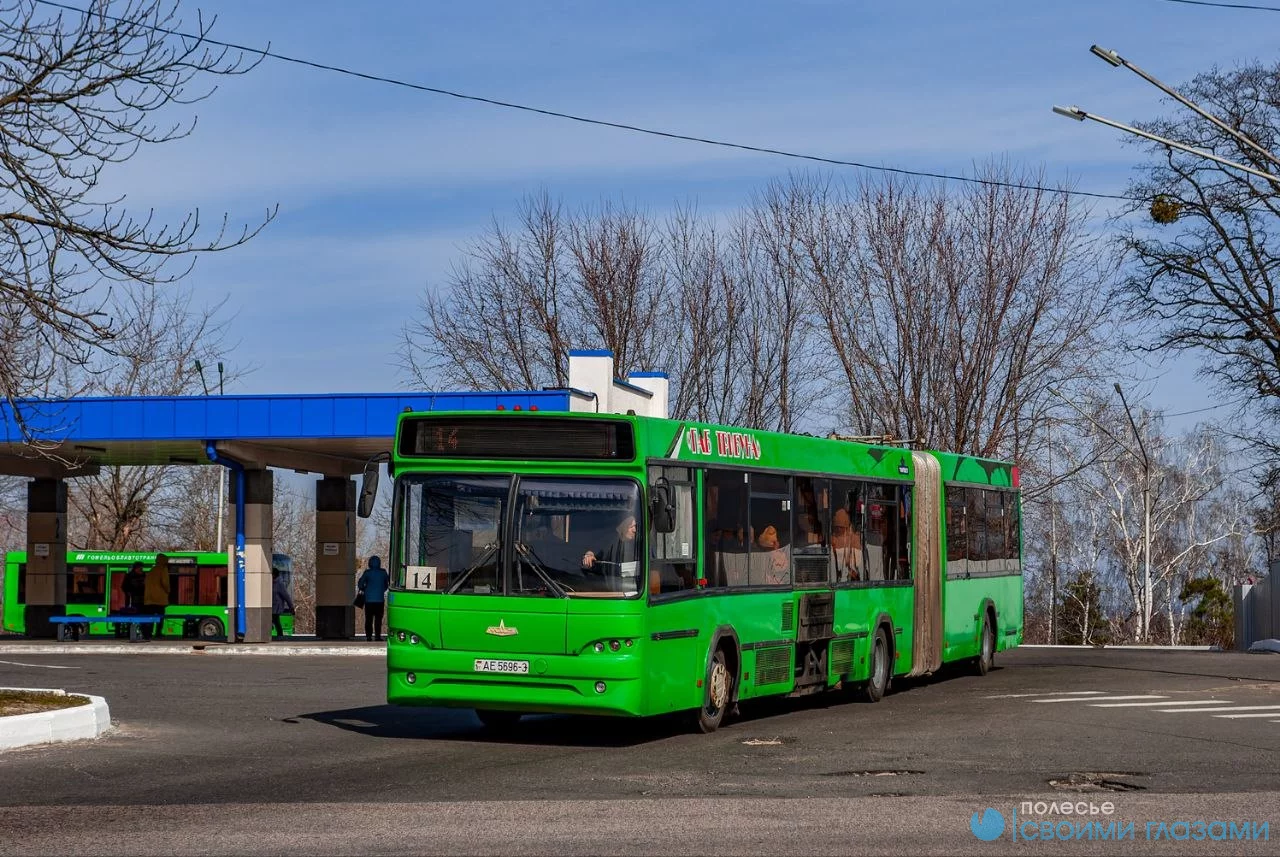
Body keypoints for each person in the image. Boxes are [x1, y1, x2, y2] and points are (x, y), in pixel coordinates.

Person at [582, 514, 639, 589]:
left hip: (634, 589)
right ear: (622, 526)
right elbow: (593, 552)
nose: (634, 530)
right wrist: (588, 556)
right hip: (609, 589)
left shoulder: (639, 545)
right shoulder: (609, 543)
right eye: (631, 527)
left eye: (635, 526)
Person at [358, 556, 390, 641]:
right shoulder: (383, 572)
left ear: (370, 563)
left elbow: (361, 584)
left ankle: (368, 636)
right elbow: (387, 583)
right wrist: (382, 589)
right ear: (379, 563)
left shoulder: (367, 573)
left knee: (368, 619)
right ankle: (377, 636)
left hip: (368, 600)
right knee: (378, 619)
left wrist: (364, 588)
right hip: (379, 600)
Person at [142, 554, 171, 639]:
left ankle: (148, 634)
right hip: (159, 600)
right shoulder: (163, 569)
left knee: (150, 618)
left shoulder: (152, 570)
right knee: (160, 617)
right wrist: (168, 591)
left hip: (149, 600)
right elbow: (165, 583)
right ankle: (158, 633)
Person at [831, 508, 863, 581]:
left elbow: (858, 561)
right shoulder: (832, 539)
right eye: (837, 527)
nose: (839, 529)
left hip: (849, 578)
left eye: (841, 527)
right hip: (834, 577)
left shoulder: (854, 538)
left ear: (846, 526)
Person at [271, 566, 294, 640]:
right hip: (272, 607)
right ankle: (279, 636)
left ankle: (280, 636)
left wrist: (291, 607)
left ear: (274, 575)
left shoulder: (279, 584)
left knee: (276, 621)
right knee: (274, 621)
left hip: (276, 607)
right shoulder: (272, 583)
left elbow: (286, 596)